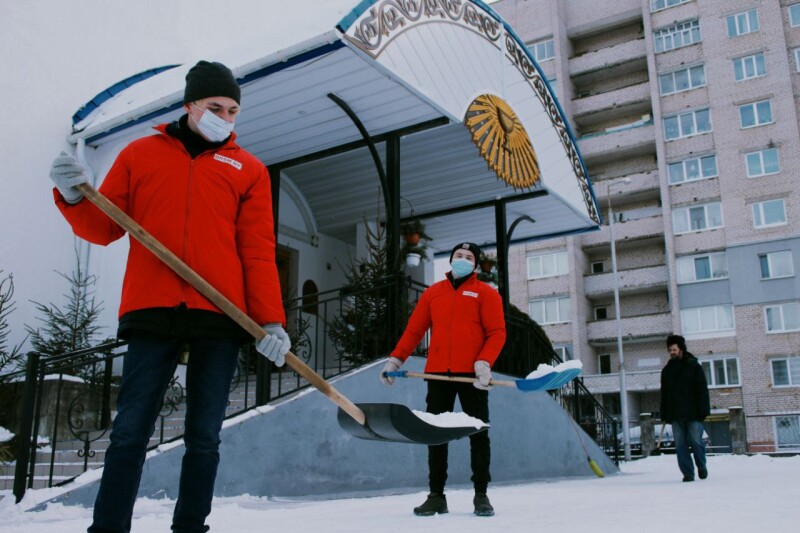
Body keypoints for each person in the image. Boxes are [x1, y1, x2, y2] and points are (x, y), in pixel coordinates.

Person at [49, 60, 291, 533]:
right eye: (215, 107)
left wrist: (270, 320)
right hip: (152, 308)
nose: (225, 117)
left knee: (204, 436)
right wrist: (74, 196)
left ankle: (190, 527)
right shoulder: (140, 154)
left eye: (233, 110)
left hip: (219, 314)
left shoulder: (249, 170)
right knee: (130, 431)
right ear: (190, 104)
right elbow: (105, 228)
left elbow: (257, 251)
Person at [381, 242, 506, 517]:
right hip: (437, 373)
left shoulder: (486, 293)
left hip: (472, 377)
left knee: (478, 434)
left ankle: (481, 495)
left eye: (469, 257)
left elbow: (497, 332)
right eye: (458, 255)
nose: (463, 259)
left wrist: (484, 363)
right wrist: (396, 359)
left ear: (476, 264)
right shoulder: (433, 293)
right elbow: (414, 331)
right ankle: (436, 496)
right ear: (450, 260)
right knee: (435, 435)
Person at [660, 334, 710, 482]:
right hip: (675, 414)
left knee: (696, 441)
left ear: (681, 349)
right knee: (680, 445)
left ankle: (701, 465)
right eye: (670, 350)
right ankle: (688, 473)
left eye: (674, 350)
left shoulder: (694, 366)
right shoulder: (667, 371)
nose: (672, 352)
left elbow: (702, 390)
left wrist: (703, 411)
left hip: (693, 413)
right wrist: (664, 413)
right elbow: (664, 393)